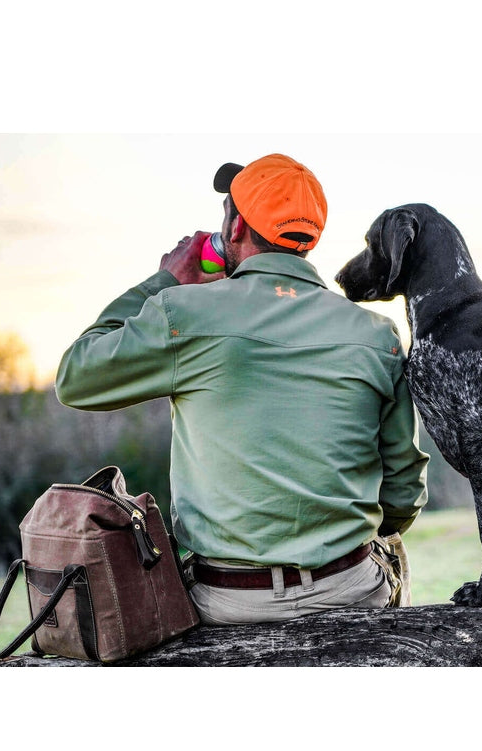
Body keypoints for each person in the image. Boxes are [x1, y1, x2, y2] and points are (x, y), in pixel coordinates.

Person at [55, 153, 429, 625]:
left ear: (233, 229)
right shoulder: (377, 334)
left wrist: (165, 280)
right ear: (307, 239)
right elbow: (403, 490)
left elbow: (75, 376)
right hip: (350, 588)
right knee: (390, 553)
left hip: (228, 602)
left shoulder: (183, 312)